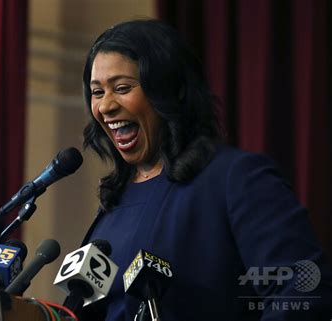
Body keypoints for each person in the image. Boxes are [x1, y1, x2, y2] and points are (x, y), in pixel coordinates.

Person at [79, 19, 332, 321]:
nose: (105, 106)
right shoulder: (113, 205)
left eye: (121, 88)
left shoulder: (235, 178)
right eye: (97, 92)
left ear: (171, 90)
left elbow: (302, 292)